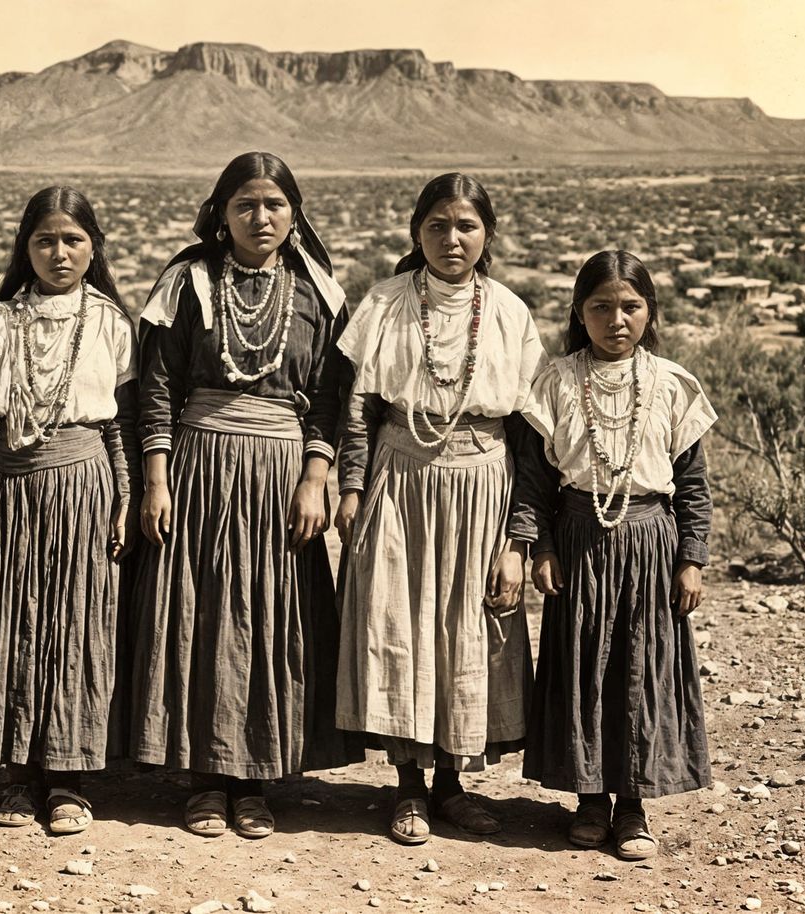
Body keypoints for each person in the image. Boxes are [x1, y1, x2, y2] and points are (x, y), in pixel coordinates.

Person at [130, 151, 361, 839]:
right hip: (200, 466)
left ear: (295, 214)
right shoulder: (187, 281)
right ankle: (204, 781)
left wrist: (317, 477)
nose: (261, 218)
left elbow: (329, 396)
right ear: (221, 214)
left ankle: (257, 780)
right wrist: (156, 479)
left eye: (275, 205)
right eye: (245, 205)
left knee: (266, 618)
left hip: (282, 476)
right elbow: (158, 386)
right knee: (200, 618)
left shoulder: (319, 291)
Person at [332, 173, 544, 844]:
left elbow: (532, 435)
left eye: (466, 226)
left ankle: (453, 784)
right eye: (436, 226)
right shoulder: (386, 303)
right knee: (401, 628)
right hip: (401, 480)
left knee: (464, 630)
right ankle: (408, 787)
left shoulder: (510, 311)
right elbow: (360, 412)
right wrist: (353, 491)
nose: (451, 239)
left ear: (488, 234)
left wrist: (519, 538)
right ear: (415, 232)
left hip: (483, 481)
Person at [0, 186, 138, 835]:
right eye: (45, 240)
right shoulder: (3, 321)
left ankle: (69, 781)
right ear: (25, 248)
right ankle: (16, 778)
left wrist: (125, 500)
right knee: (15, 624)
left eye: (73, 240)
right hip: (14, 493)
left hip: (87, 490)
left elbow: (120, 426)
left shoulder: (110, 321)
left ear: (93, 247)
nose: (59, 253)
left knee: (78, 629)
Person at [511, 249, 715, 861]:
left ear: (649, 313)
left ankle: (633, 806)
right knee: (583, 669)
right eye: (601, 307)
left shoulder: (674, 385)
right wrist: (540, 547)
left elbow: (695, 486)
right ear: (579, 313)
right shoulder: (554, 383)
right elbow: (533, 481)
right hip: (577, 542)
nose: (616, 319)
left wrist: (691, 558)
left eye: (630, 306)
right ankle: (589, 801)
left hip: (651, 543)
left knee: (639, 671)